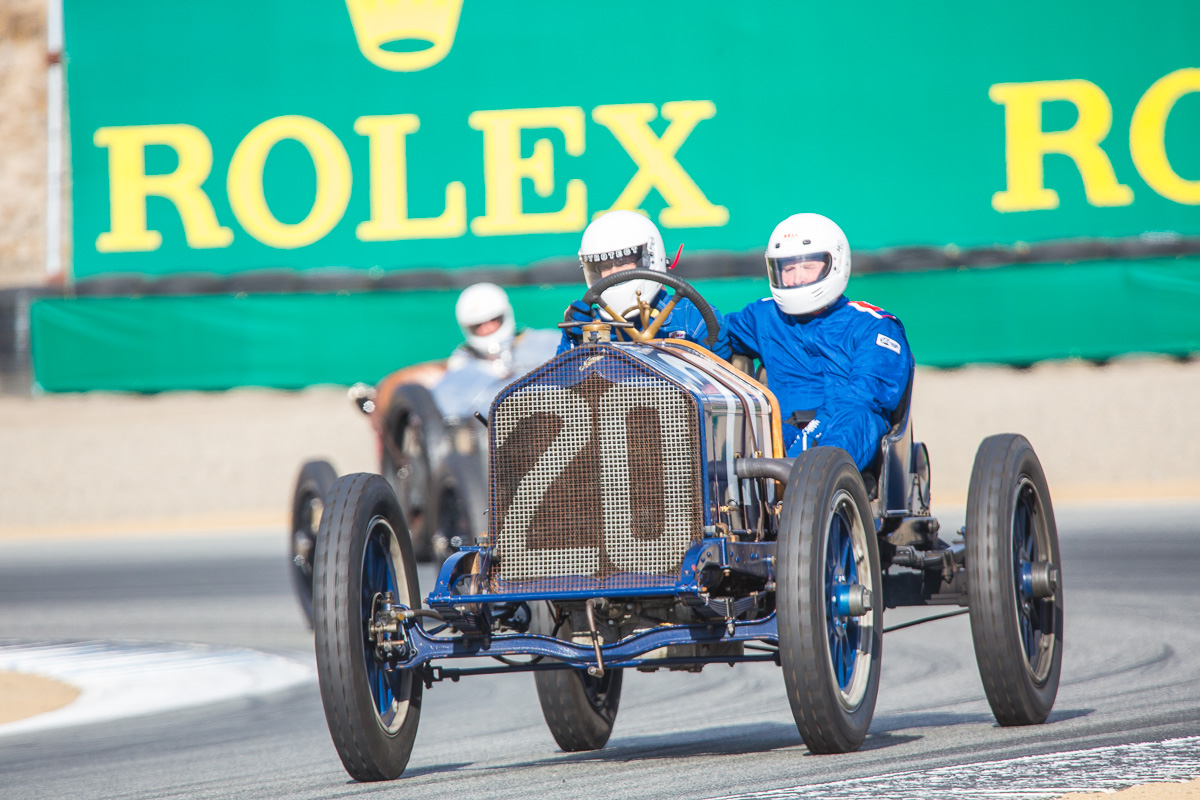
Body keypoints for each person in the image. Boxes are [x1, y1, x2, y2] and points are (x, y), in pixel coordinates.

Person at [725, 213, 914, 471]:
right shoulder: (763, 316)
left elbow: (862, 397)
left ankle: (810, 480)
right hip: (785, 433)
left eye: (807, 267)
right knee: (745, 431)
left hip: (848, 434)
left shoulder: (875, 326)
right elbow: (708, 334)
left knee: (857, 417)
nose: (795, 279)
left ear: (835, 264)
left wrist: (806, 446)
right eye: (787, 268)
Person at [558, 210, 730, 359]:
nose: (613, 273)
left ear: (651, 258)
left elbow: (718, 381)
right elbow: (560, 387)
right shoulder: (591, 326)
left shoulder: (690, 316)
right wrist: (573, 341)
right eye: (604, 266)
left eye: (622, 261)